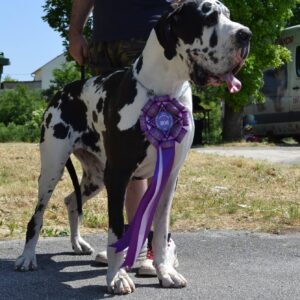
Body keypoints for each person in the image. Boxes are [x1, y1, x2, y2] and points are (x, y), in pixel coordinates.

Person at [68, 0, 178, 276]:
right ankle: (134, 239)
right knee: (121, 152)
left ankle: (160, 245)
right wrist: (76, 33)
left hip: (152, 36)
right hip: (105, 44)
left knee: (158, 140)